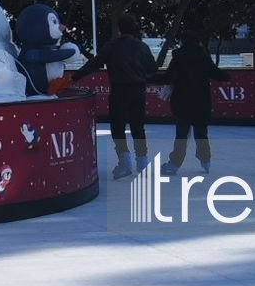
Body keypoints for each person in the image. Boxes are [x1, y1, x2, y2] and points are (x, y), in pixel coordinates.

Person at [69, 14, 157, 179]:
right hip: (138, 91)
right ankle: (142, 162)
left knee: (118, 128)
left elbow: (94, 63)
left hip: (119, 91)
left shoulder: (112, 46)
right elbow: (151, 69)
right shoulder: (142, 47)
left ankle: (124, 162)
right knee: (138, 127)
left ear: (119, 29)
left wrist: (75, 77)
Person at [159, 29, 228, 177]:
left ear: (183, 42)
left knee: (181, 135)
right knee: (201, 133)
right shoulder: (203, 56)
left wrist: (148, 77)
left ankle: (174, 164)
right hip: (201, 101)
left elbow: (168, 76)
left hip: (182, 101)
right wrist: (227, 76)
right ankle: (205, 160)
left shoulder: (178, 56)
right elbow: (215, 72)